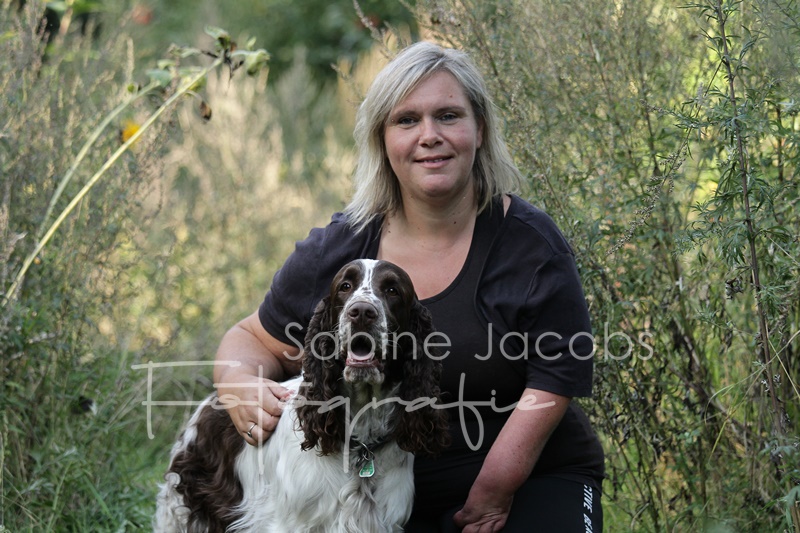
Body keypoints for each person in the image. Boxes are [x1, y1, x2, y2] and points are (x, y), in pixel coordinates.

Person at [214, 41, 604, 532]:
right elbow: (250, 339)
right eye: (406, 120)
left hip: (530, 481)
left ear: (480, 130)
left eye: (448, 116)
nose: (429, 136)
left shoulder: (531, 246)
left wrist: (497, 486)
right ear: (382, 139)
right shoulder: (339, 250)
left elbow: (555, 378)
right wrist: (237, 383)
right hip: (384, 491)